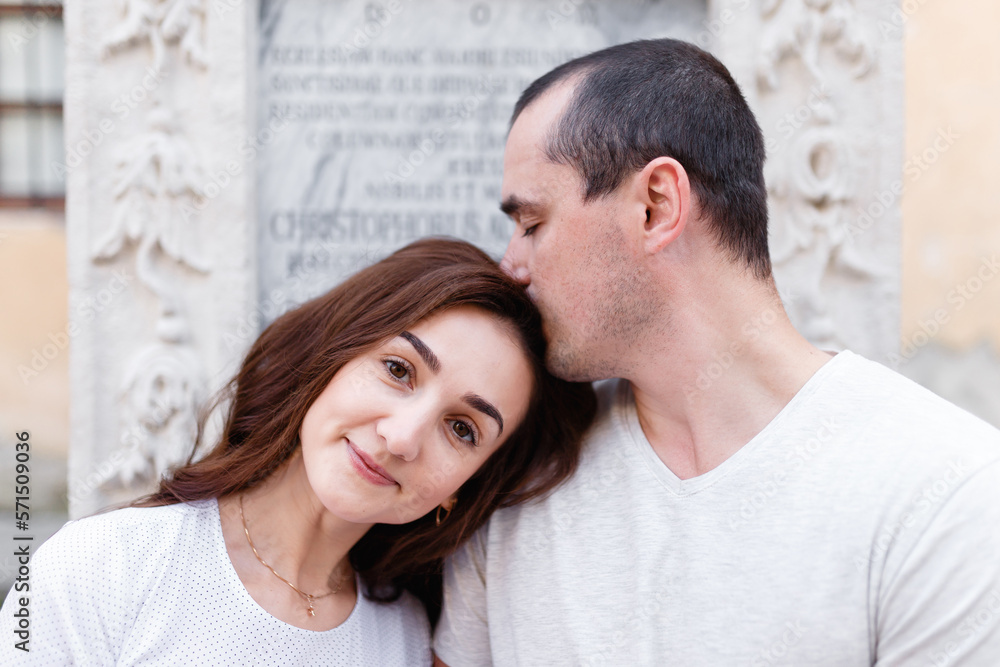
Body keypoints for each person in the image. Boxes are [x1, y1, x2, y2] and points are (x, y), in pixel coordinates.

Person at [433, 39, 1000, 666]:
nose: (509, 264)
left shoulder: (947, 494)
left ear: (656, 207)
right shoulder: (517, 474)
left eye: (532, 223)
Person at [0, 238, 595, 666]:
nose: (402, 436)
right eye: (398, 369)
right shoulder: (100, 568)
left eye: (462, 429)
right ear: (330, 357)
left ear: (467, 485)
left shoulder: (408, 643)